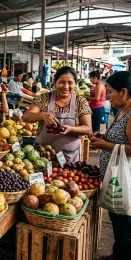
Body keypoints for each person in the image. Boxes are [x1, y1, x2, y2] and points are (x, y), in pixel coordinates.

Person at [91, 71, 131, 260]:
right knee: (118, 221)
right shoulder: (122, 110)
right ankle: (117, 254)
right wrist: (103, 137)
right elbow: (121, 139)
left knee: (125, 224)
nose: (107, 96)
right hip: (114, 177)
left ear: (123, 92)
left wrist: (105, 145)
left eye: (110, 92)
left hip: (124, 180)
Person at [23, 66, 92, 163]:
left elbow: (88, 129)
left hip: (69, 157)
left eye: (70, 83)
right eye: (62, 82)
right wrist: (43, 115)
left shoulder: (80, 101)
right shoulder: (44, 98)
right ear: (55, 82)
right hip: (42, 156)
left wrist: (71, 129)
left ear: (75, 83)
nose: (66, 86)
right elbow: (26, 117)